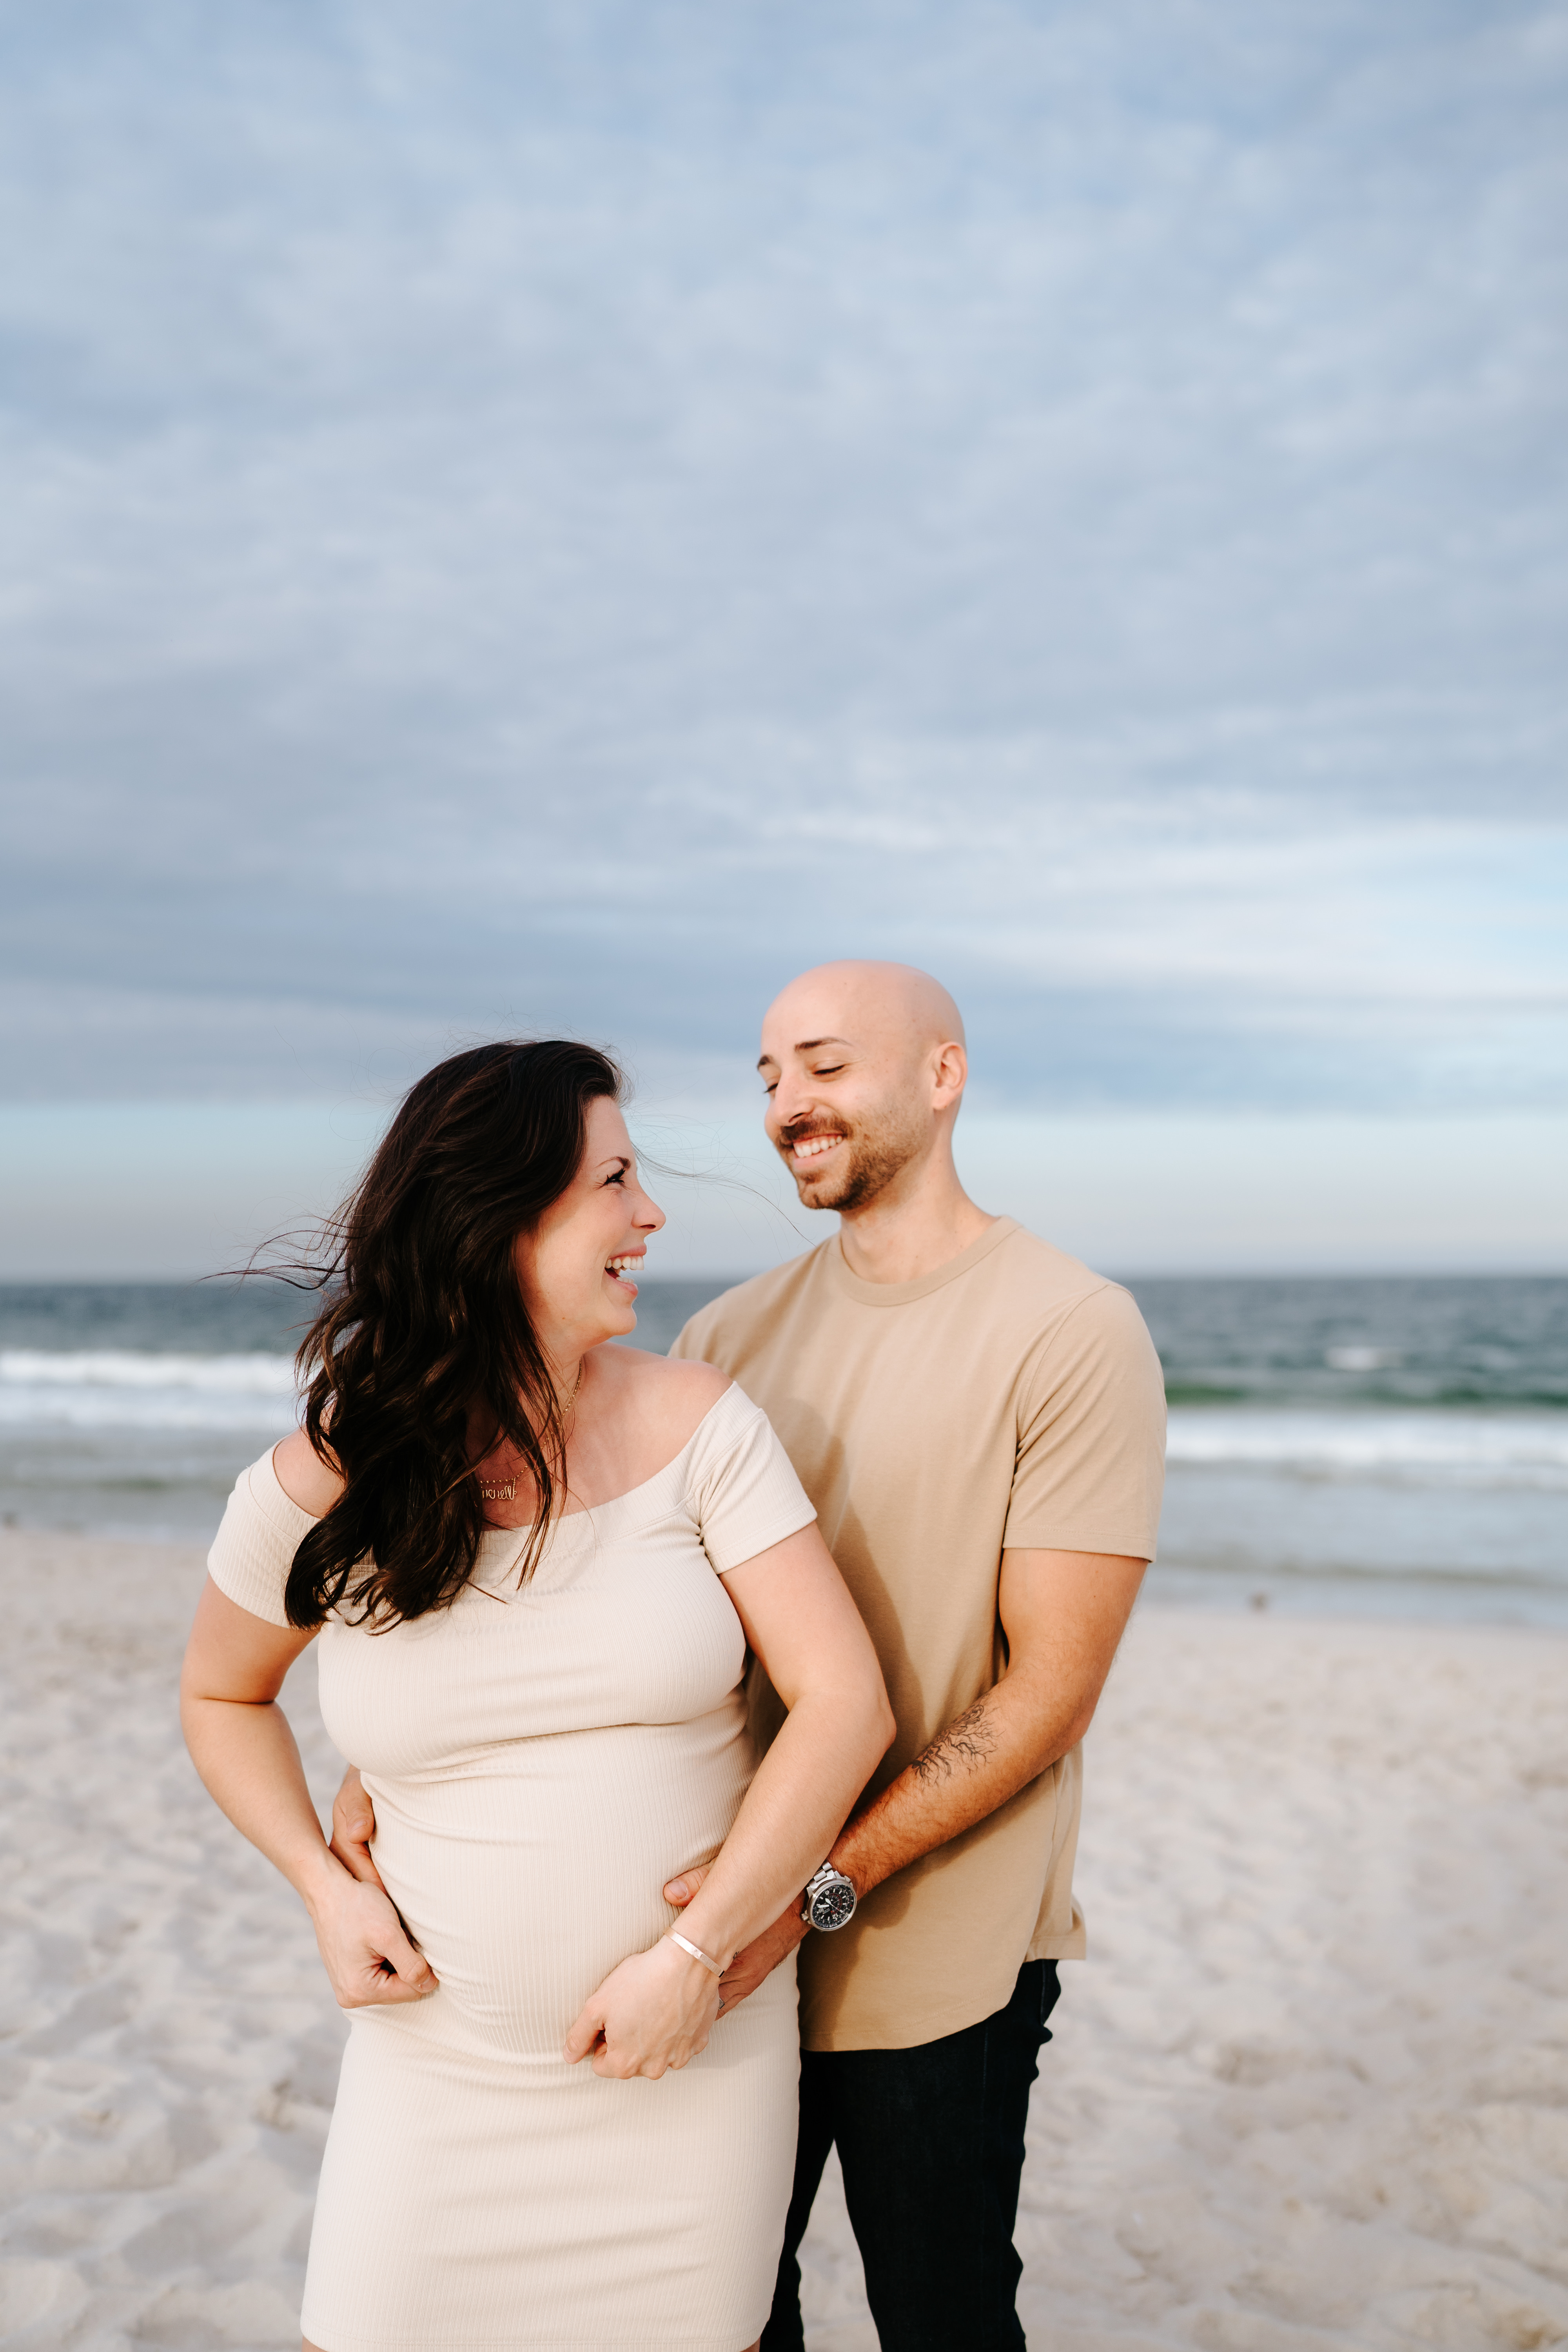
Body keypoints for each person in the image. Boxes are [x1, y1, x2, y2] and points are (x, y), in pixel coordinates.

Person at [333, 969, 1167, 2346]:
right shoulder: (725, 1340)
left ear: (943, 1076)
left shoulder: (1069, 1330)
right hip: (702, 1956)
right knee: (724, 2320)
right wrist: (408, 1758)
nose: (789, 1106)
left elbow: (1049, 1696)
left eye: (827, 1068)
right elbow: (601, 1600)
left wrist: (808, 1895)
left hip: (929, 1952)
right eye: (770, 1076)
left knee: (943, 2313)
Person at [180, 1039, 894, 2352]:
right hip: (432, 2079)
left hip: (689, 2069)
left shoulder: (705, 1427)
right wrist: (321, 1885)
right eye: (615, 1181)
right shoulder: (333, 1477)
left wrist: (696, 1954)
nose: (651, 1214)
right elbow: (223, 1697)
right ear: (501, 1220)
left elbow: (847, 1703)